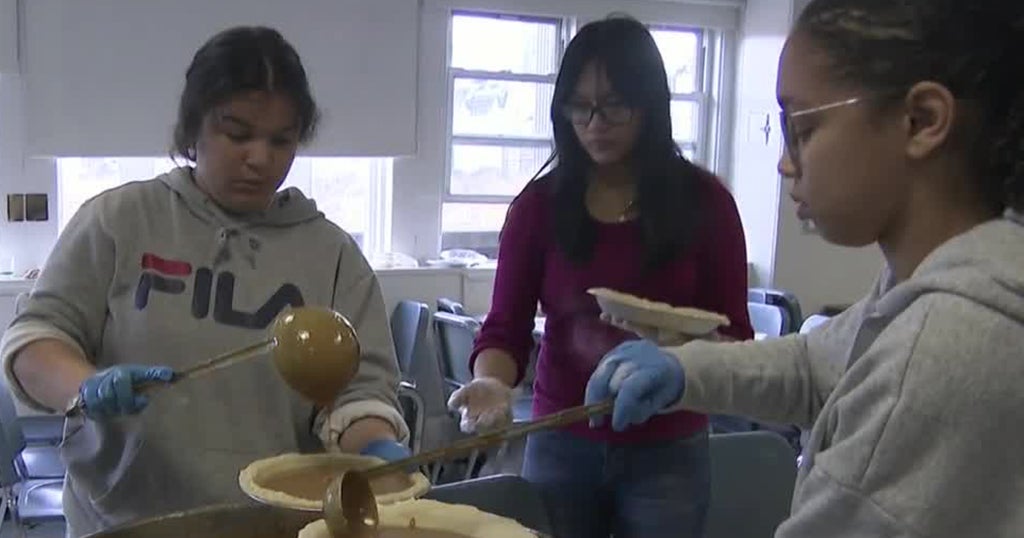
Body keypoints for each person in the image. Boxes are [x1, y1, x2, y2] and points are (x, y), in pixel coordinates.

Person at [586, 1, 1024, 536]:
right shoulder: (938, 285)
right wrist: (685, 370)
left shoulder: (937, 352)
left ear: (921, 121)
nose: (785, 162)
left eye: (804, 128)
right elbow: (816, 365)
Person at [0, 26, 409, 537]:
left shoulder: (331, 255)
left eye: (280, 140)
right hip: (126, 521)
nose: (260, 158)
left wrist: (374, 447)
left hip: (276, 524)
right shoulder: (119, 220)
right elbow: (35, 340)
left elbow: (360, 389)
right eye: (237, 134)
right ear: (193, 127)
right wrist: (85, 386)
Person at [447, 16, 753, 538]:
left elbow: (737, 336)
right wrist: (491, 382)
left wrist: (687, 354)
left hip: (669, 447)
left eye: (614, 104)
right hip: (562, 437)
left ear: (650, 104)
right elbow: (505, 329)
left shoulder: (706, 204)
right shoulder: (537, 208)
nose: (595, 122)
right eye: (580, 105)